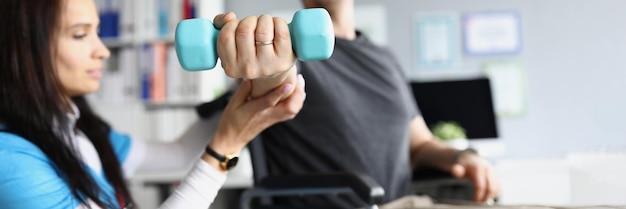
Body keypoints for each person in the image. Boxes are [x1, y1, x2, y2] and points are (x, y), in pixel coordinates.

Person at [0, 0, 304, 208]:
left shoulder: (79, 134)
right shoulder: (10, 160)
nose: (103, 51)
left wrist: (244, 82)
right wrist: (227, 144)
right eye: (80, 35)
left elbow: (179, 154)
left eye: (97, 32)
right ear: (23, 49)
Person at [208, 0, 501, 208]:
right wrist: (273, 66)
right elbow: (273, 84)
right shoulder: (290, 52)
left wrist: (462, 156)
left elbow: (421, 144)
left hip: (407, 203)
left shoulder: (385, 58)